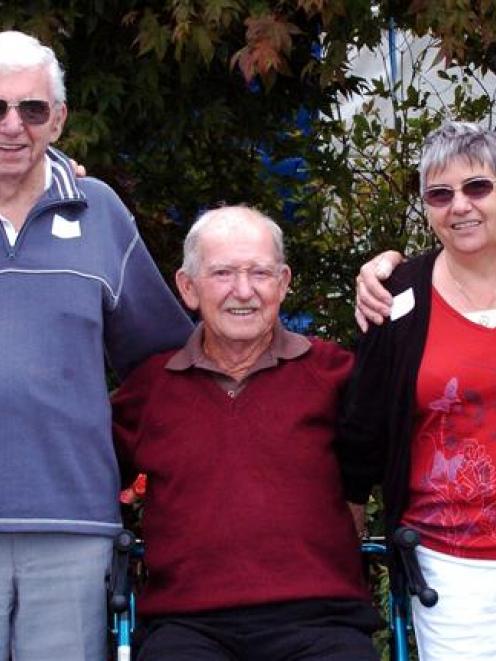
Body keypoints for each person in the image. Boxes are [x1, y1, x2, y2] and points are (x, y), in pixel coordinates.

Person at [112, 205, 381, 661]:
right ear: (188, 288)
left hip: (320, 620)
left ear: (283, 282)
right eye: (222, 273)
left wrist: (389, 266)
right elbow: (81, 469)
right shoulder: (151, 388)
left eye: (260, 272)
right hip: (188, 625)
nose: (243, 291)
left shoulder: (335, 374)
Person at [0, 30, 193, 660]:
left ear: (57, 119)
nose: (12, 126)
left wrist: (139, 466)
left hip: (73, 524)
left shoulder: (99, 210)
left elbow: (160, 359)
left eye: (31, 109)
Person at [337, 120, 496, 660]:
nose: (461, 206)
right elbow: (363, 424)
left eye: (478, 187)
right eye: (440, 193)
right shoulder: (397, 297)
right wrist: (348, 541)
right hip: (450, 565)